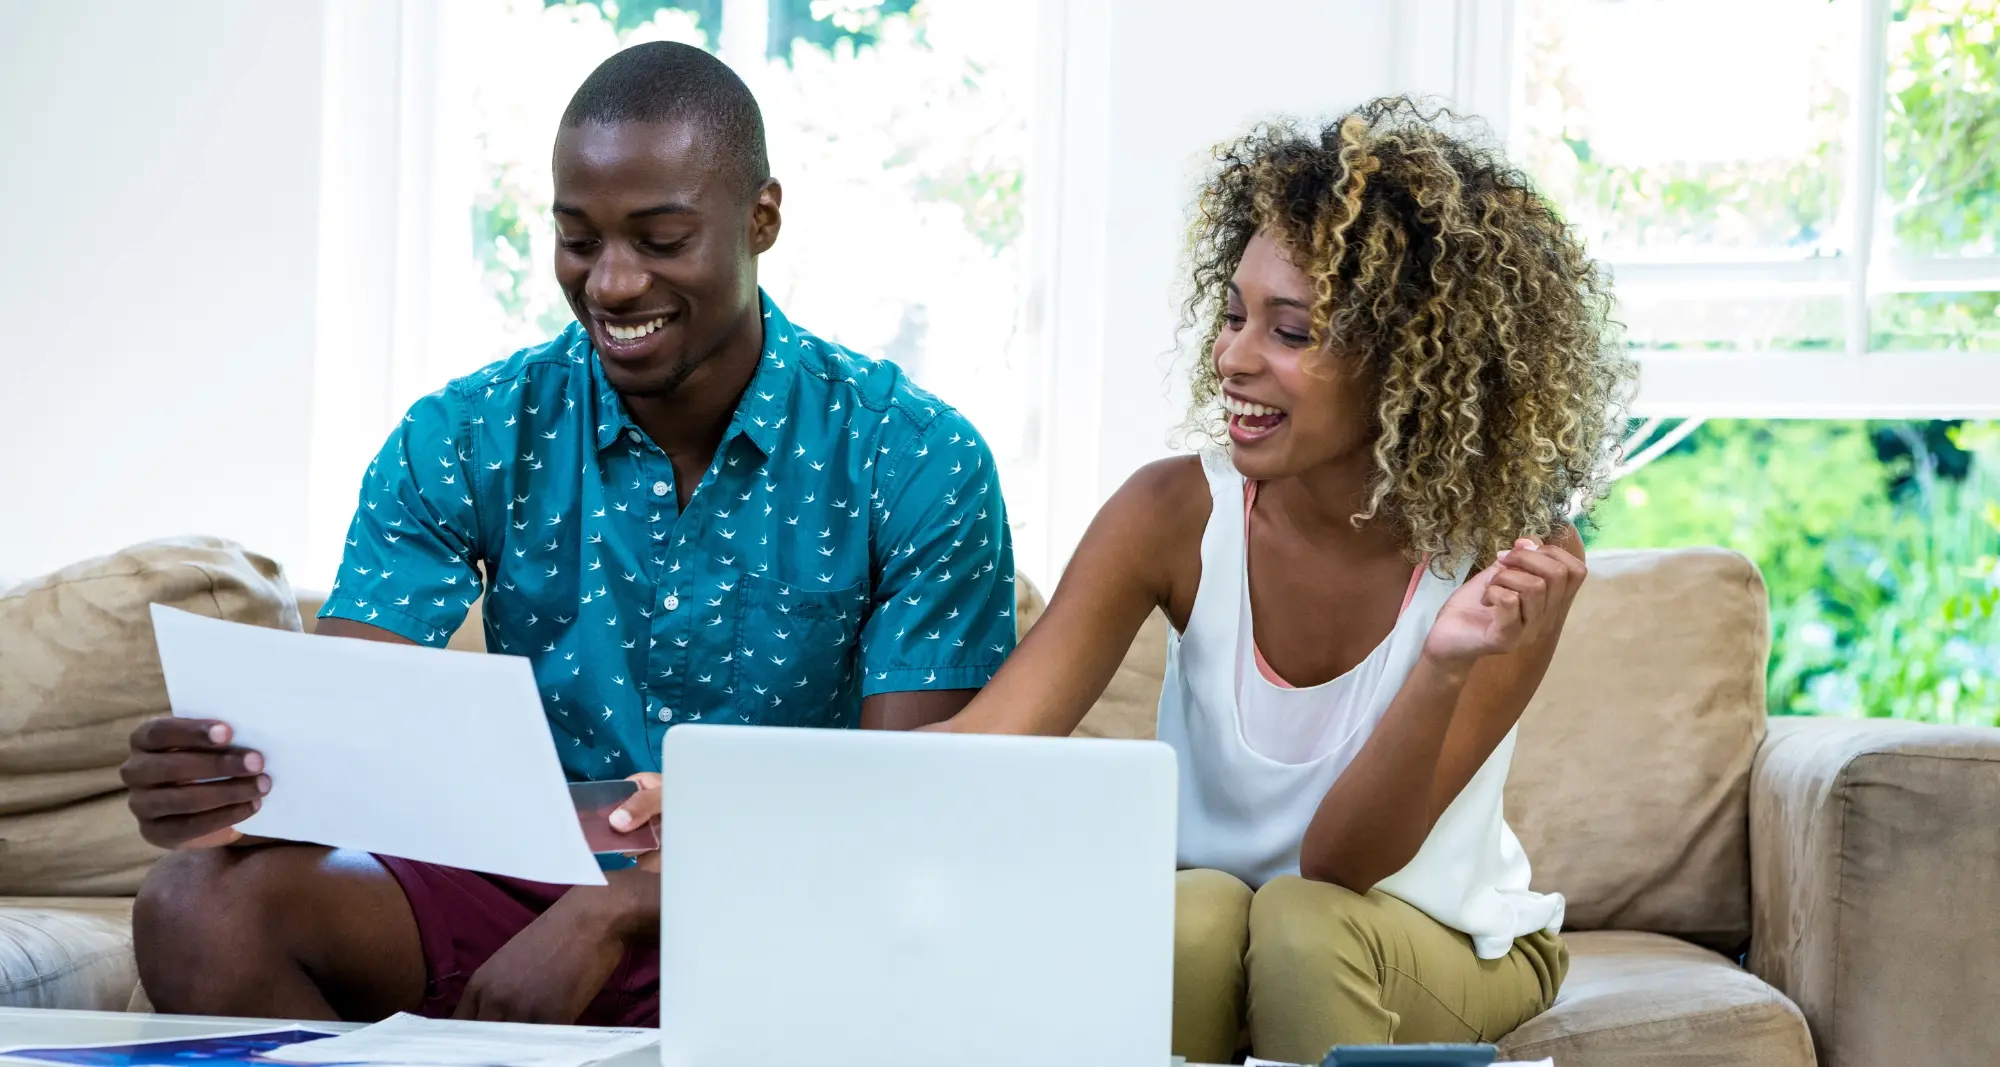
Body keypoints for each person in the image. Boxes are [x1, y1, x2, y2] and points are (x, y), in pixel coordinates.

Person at [118, 41, 1016, 1026]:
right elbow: (342, 760)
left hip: (798, 899)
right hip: (522, 890)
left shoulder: (914, 453)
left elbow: (910, 813)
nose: (612, 284)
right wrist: (226, 791)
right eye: (577, 239)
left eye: (661, 238)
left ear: (761, 217)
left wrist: (625, 905)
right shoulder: (464, 434)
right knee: (197, 907)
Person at [927, 99, 1629, 1061]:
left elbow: (1343, 864)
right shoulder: (1174, 513)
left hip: (1437, 937)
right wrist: (743, 802)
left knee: (1303, 923)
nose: (1232, 357)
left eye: (1290, 331)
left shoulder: (1512, 559)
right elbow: (985, 745)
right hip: (1223, 931)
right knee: (1197, 912)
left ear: (1409, 360)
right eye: (1232, 316)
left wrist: (1446, 661)